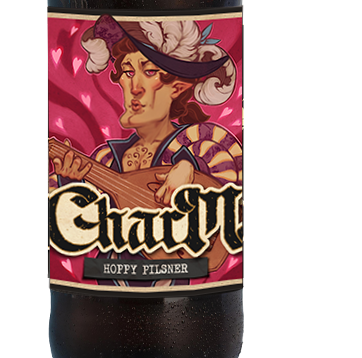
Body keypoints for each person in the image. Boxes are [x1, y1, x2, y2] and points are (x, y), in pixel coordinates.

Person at [51, 15, 242, 285]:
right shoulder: (106, 159)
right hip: (109, 290)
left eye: (149, 72)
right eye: (128, 72)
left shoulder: (202, 142)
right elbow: (77, 230)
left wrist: (187, 168)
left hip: (181, 298)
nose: (135, 87)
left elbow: (233, 192)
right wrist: (69, 182)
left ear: (177, 88)